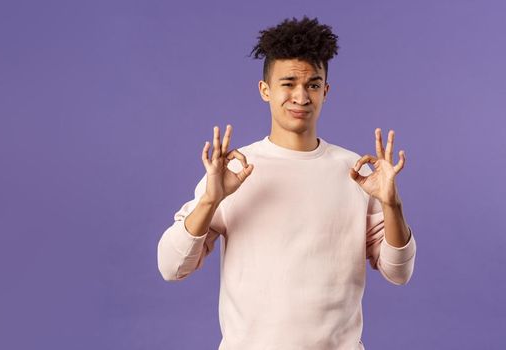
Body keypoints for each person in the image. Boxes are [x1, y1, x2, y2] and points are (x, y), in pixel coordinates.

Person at [157, 16, 417, 350]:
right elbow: (171, 266)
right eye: (288, 83)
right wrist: (210, 200)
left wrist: (392, 204)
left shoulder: (355, 172)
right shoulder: (235, 171)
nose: (301, 96)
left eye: (312, 84)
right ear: (265, 90)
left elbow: (399, 273)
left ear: (326, 91)